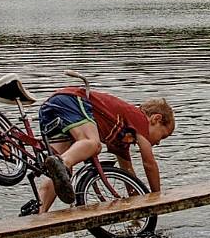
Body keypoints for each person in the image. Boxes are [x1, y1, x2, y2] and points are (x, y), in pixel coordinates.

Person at [37, 87, 175, 212]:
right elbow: (149, 163)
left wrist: (137, 207)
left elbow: (128, 174)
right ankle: (63, 162)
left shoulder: (123, 136)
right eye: (162, 136)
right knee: (93, 144)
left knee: (57, 174)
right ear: (156, 119)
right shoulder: (139, 118)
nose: (158, 143)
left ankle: (38, 213)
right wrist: (158, 199)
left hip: (51, 109)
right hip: (71, 100)